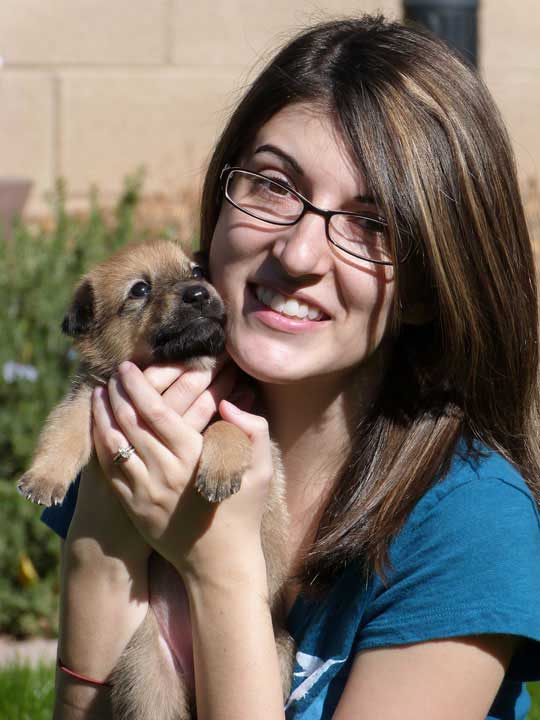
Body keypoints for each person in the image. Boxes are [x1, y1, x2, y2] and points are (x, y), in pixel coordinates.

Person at [41, 14, 540, 720]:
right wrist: (98, 554)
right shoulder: (151, 435)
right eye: (274, 185)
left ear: (429, 290)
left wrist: (224, 571)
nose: (301, 255)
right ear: (219, 201)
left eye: (374, 224)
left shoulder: (468, 525)